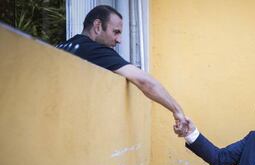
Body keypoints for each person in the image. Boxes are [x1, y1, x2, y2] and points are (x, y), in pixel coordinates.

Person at [57, 5, 187, 134]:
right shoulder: (94, 51)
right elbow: (145, 82)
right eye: (116, 32)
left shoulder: (62, 47)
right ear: (97, 26)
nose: (119, 40)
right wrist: (177, 111)